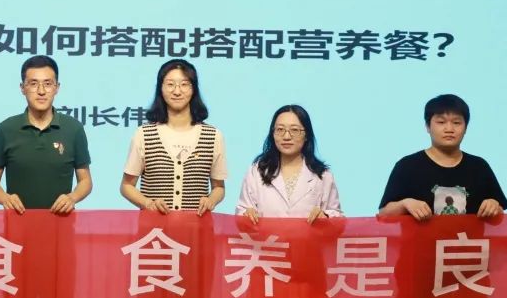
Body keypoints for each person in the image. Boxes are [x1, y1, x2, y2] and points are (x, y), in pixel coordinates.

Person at [0, 55, 92, 213]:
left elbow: (86, 180)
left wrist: (72, 197)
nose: (41, 91)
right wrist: (5, 198)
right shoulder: (6, 129)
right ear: (22, 88)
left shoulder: (74, 129)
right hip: (17, 222)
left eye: (48, 84)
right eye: (33, 84)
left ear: (57, 88)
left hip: (62, 222)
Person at [378, 93, 507, 221]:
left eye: (456, 122)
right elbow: (384, 213)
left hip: (467, 237)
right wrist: (405, 204)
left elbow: (499, 214)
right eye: (441, 122)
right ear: (428, 126)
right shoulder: (407, 166)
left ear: (466, 128)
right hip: (422, 237)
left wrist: (494, 206)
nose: (449, 129)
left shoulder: (479, 167)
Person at [120, 59, 226, 214]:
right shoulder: (144, 134)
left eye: (184, 84)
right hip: (154, 227)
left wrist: (211, 200)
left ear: (194, 89)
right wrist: (148, 203)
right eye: (170, 84)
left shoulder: (213, 136)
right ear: (161, 88)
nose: (177, 91)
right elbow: (126, 186)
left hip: (196, 226)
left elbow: (219, 187)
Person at [236, 104, 342, 224]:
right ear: (272, 134)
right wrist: (246, 215)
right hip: (268, 237)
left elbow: (338, 219)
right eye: (280, 130)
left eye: (295, 130)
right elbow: (241, 213)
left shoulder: (323, 175)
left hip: (307, 237)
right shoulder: (257, 171)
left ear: (306, 135)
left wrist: (326, 216)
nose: (286, 137)